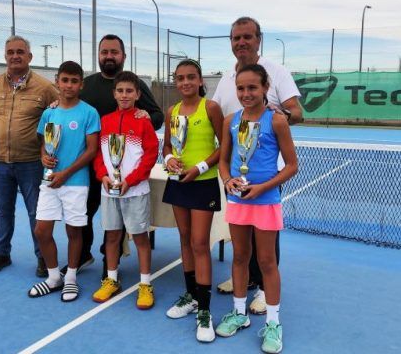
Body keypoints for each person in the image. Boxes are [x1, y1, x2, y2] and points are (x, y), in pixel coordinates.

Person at [212, 16, 303, 315]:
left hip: (267, 176)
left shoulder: (277, 72)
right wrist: (225, 175)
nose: (241, 42)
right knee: (241, 248)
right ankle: (246, 286)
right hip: (236, 179)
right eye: (236, 38)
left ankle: (264, 290)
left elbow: (296, 112)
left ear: (258, 39)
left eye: (247, 37)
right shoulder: (227, 79)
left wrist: (275, 121)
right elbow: (219, 118)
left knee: (266, 251)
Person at [59, 34, 164, 279]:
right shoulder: (88, 84)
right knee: (85, 213)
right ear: (98, 55)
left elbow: (156, 115)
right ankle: (83, 255)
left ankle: (110, 265)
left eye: (113, 52)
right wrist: (57, 103)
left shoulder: (136, 85)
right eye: (104, 51)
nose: (108, 56)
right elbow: (70, 104)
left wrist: (145, 117)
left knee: (116, 224)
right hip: (90, 164)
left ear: (123, 57)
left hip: (125, 173)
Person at [214, 64, 298, 354]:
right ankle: (239, 313)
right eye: (241, 88)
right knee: (239, 257)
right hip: (238, 201)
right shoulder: (230, 121)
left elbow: (292, 165)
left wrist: (263, 187)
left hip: (265, 202)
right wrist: (228, 180)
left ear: (265, 88)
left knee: (266, 262)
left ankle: (273, 323)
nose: (246, 93)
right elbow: (224, 161)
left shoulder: (276, 121)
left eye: (252, 87)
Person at [0, 35, 59, 277]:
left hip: (32, 164)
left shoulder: (45, 88)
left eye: (20, 52)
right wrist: (1, 140)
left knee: (37, 213)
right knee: (2, 212)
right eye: (11, 52)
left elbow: (57, 121)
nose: (15, 56)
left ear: (29, 57)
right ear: (5, 56)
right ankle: (1, 253)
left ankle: (44, 258)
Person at [27, 61, 100, 302]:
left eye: (74, 81)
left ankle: (70, 278)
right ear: (57, 81)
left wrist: (66, 173)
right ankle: (53, 277)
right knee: (42, 230)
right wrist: (43, 157)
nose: (68, 85)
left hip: (76, 182)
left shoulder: (89, 112)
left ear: (81, 84)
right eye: (64, 80)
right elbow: (44, 144)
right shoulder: (50, 112)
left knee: (73, 232)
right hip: (49, 182)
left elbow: (91, 151)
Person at [162, 59, 224, 343]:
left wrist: (198, 168)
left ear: (201, 81)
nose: (185, 82)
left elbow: (225, 147)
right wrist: (170, 159)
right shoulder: (171, 112)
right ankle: (191, 297)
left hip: (202, 183)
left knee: (200, 243)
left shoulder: (210, 108)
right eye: (180, 78)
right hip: (178, 183)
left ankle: (205, 310)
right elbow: (166, 145)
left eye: (191, 77)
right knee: (185, 240)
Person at [91, 71, 159, 310]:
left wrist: (130, 180)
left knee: (140, 237)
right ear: (114, 93)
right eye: (120, 90)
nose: (124, 95)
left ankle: (145, 284)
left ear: (138, 94)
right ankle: (111, 280)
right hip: (109, 190)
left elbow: (150, 156)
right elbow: (99, 155)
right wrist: (103, 176)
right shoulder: (105, 121)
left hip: (135, 191)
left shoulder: (143, 121)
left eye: (129, 91)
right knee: (111, 236)